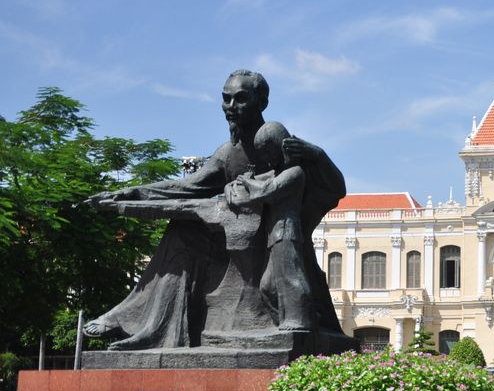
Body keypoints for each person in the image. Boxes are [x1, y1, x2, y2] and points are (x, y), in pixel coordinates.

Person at [84, 70, 346, 349]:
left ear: (262, 102)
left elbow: (334, 188)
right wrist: (133, 192)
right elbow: (186, 187)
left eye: (241, 99)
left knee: (274, 284)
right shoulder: (227, 153)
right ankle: (150, 327)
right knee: (181, 232)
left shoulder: (280, 143)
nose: (231, 108)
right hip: (232, 246)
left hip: (276, 245)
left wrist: (314, 155)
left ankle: (282, 322)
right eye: (226, 100)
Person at [227, 121, 311, 331]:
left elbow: (266, 189)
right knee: (267, 287)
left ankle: (299, 320)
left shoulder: (295, 172)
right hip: (275, 233)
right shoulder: (277, 172)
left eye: (268, 151)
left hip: (287, 231)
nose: (265, 158)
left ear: (279, 147)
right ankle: (284, 319)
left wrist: (246, 182)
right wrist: (234, 183)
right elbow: (255, 181)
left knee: (291, 277)